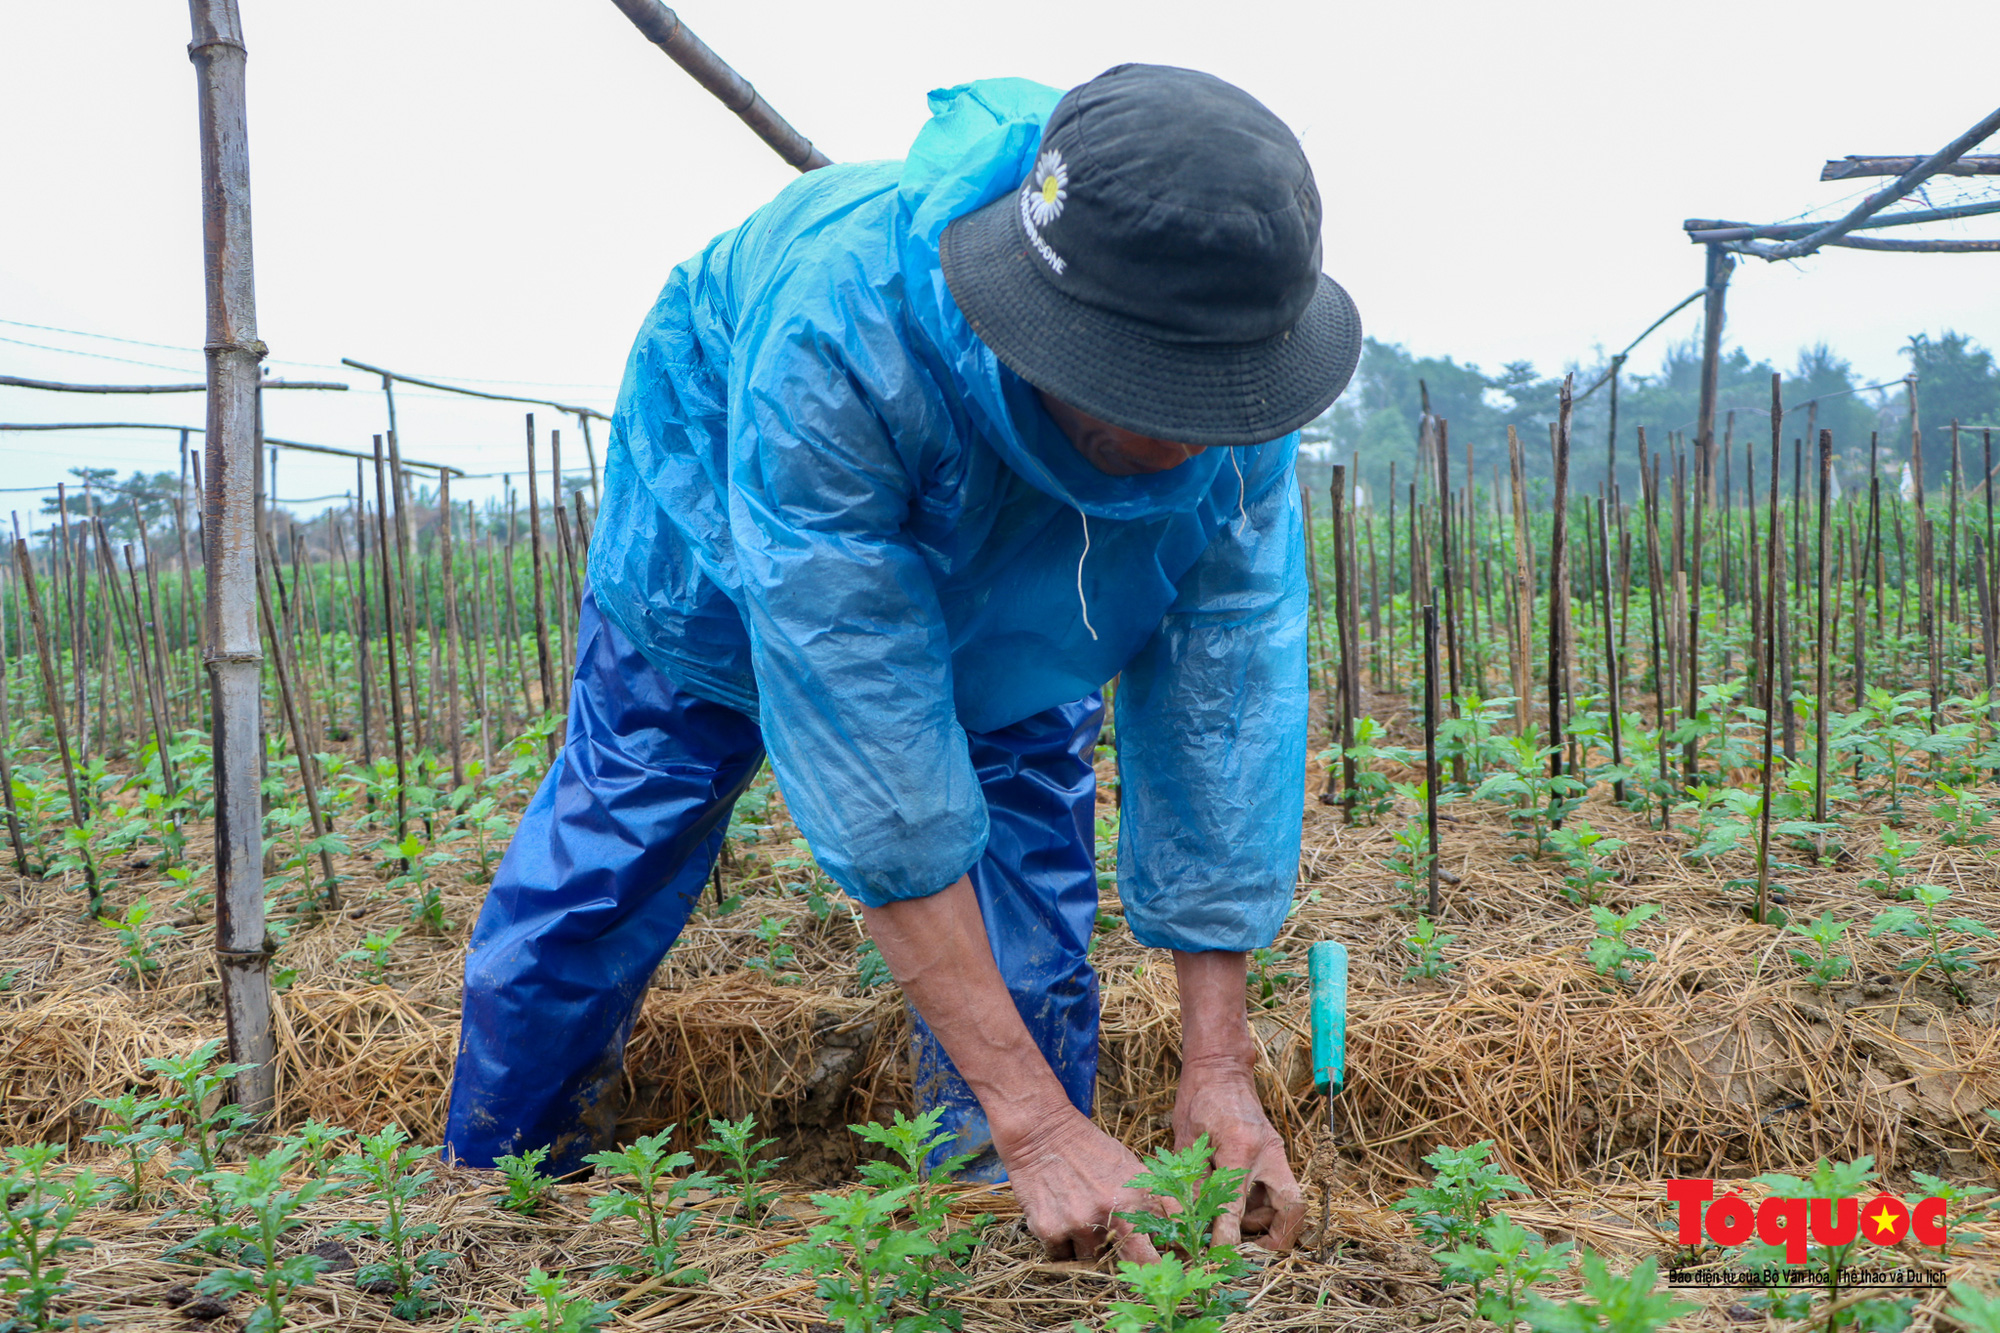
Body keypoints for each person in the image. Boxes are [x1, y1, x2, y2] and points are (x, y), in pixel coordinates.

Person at [445, 62, 1360, 1261]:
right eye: (1158, 399)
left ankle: (996, 1215)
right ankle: (500, 1184)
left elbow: (1221, 716)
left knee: (1022, 856)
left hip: (1034, 576)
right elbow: (875, 766)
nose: (1194, 435)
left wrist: (1219, 1069)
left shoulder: (1234, 396)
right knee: (634, 820)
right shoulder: (836, 339)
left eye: (1216, 399)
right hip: (725, 525)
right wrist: (1037, 1120)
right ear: (1059, 344)